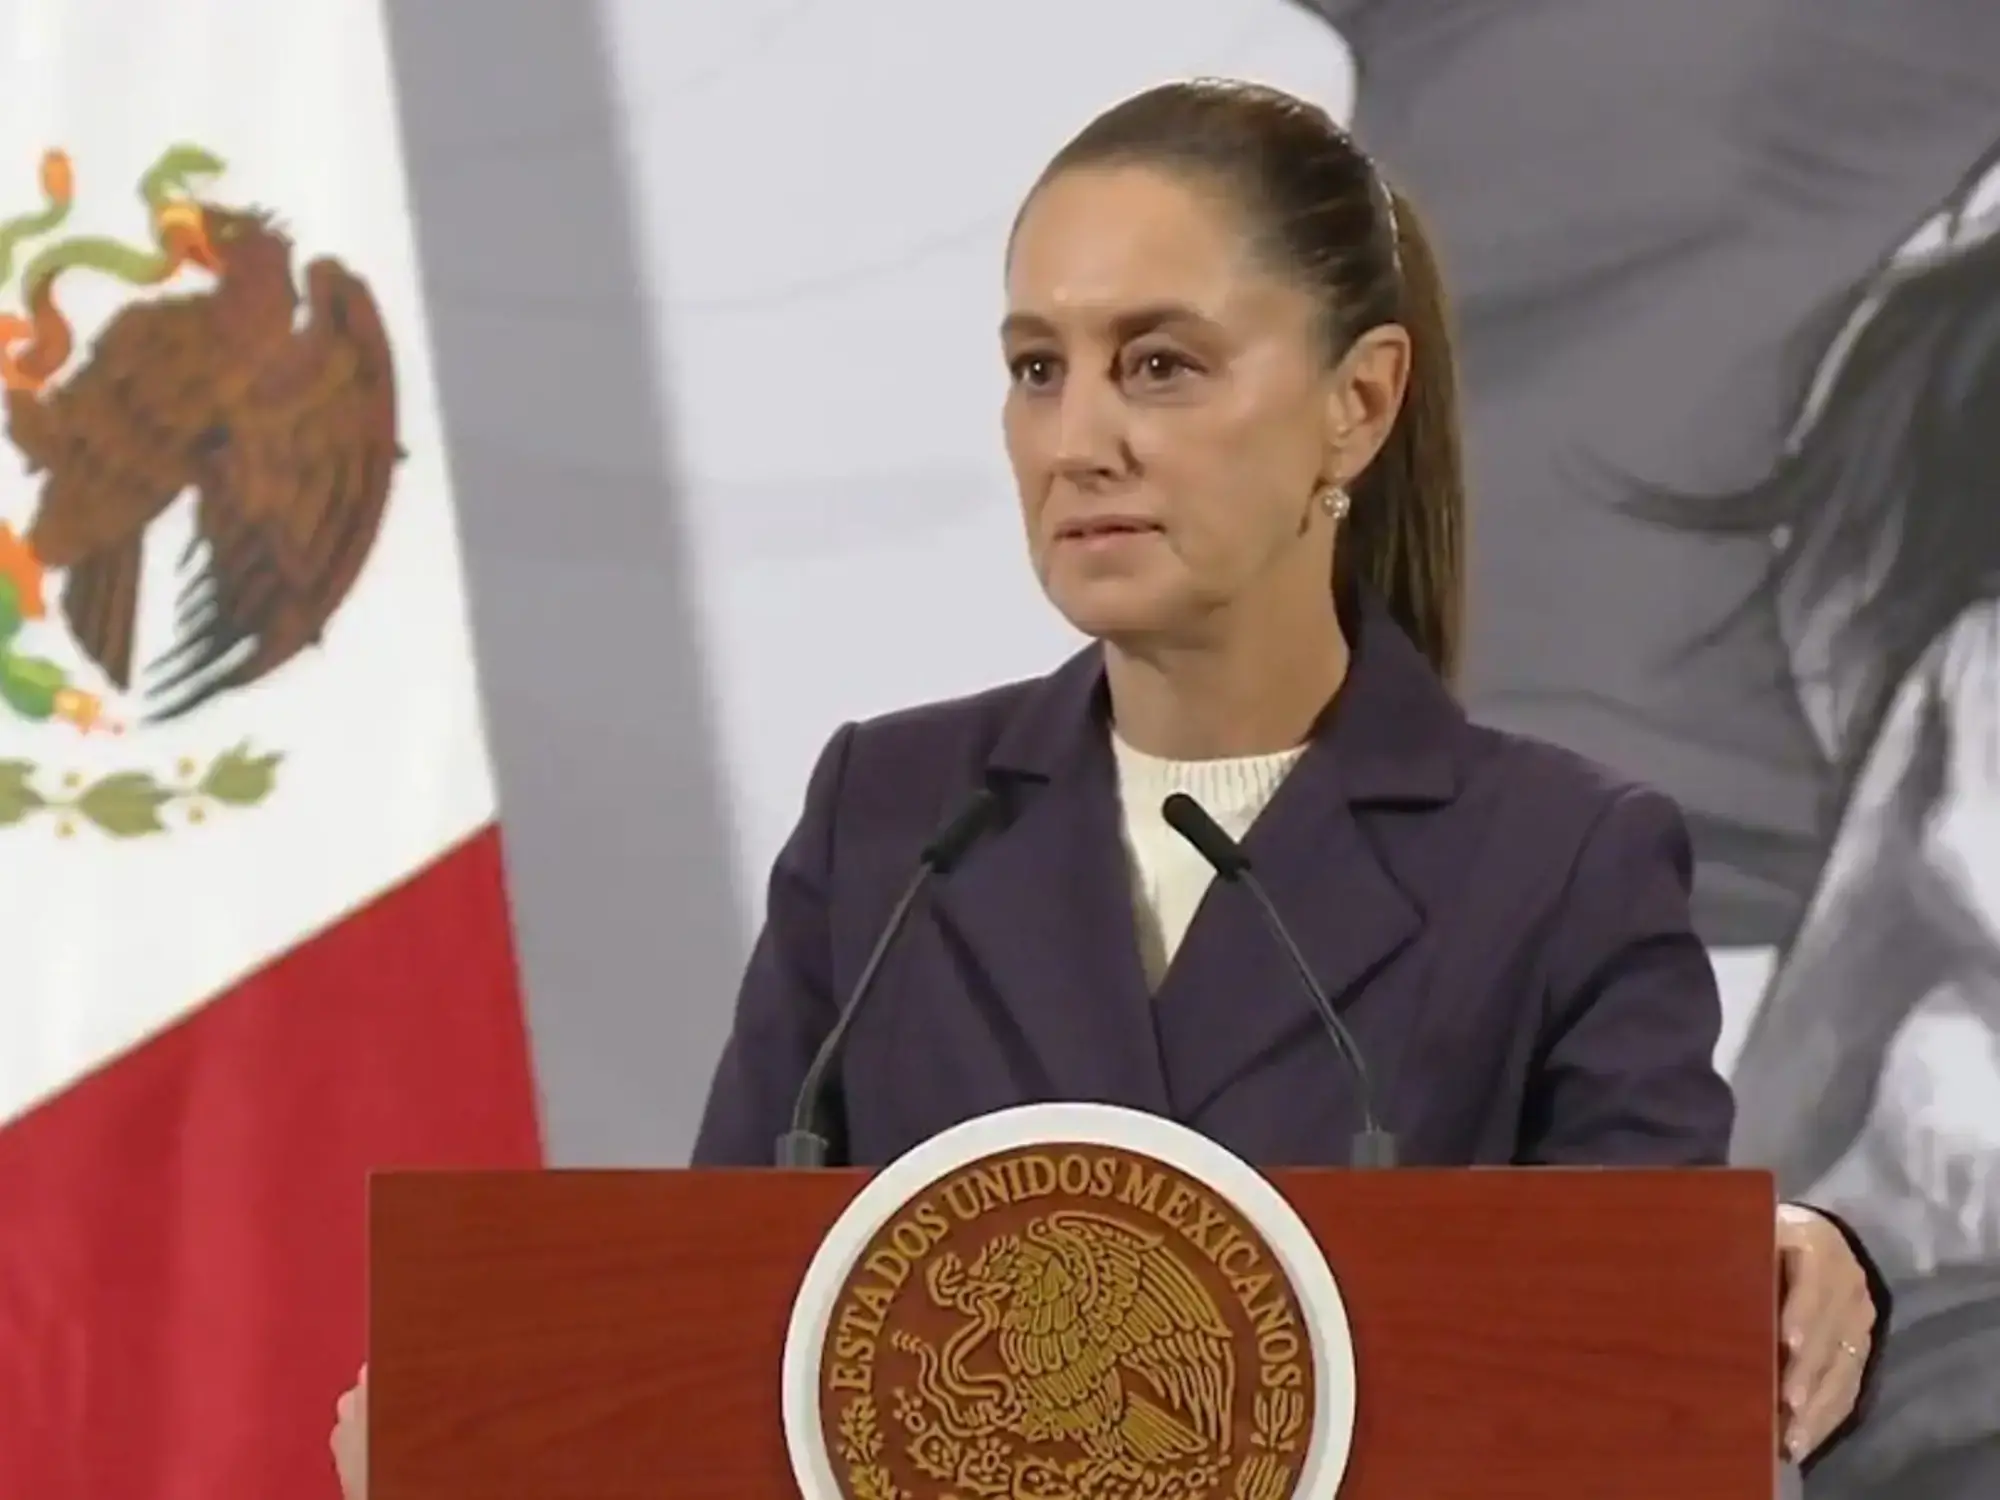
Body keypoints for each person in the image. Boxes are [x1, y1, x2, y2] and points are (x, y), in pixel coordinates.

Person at [331, 78, 1883, 1495]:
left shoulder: (1562, 860)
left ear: (1359, 399)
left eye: (1159, 364)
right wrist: (483, 1419)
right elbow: (730, 1347)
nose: (1078, 443)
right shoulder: (895, 819)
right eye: (1035, 368)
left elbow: (1636, 1392)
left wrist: (1776, 1266)